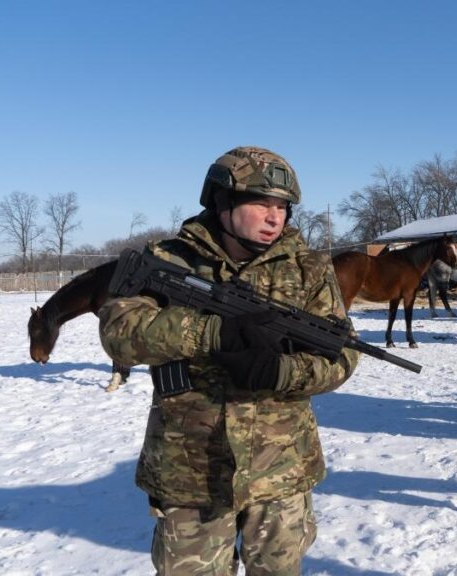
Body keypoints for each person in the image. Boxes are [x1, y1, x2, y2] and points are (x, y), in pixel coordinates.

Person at [98, 146, 360, 575]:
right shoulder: (167, 259)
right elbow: (118, 334)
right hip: (189, 469)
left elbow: (344, 354)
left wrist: (283, 372)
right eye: (262, 204)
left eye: (282, 207)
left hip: (281, 469)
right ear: (222, 202)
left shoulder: (309, 269)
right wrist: (211, 332)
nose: (275, 218)